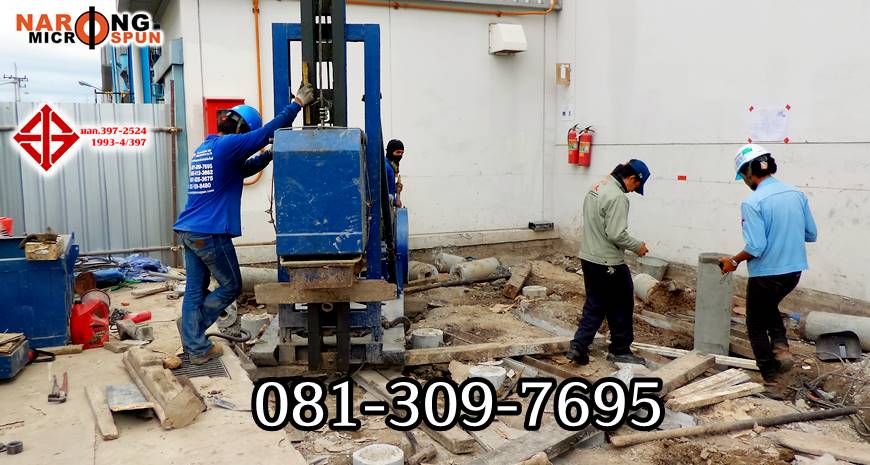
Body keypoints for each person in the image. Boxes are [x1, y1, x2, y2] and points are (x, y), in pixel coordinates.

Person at [173, 84, 315, 365]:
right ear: (242, 129)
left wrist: (270, 154)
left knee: (194, 289)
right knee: (231, 286)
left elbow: (245, 169)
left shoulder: (207, 148)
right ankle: (193, 331)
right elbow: (267, 132)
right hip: (210, 233)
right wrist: (298, 103)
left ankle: (194, 344)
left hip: (189, 229)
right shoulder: (230, 145)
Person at [719, 144, 817, 382]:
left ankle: (770, 377)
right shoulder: (796, 194)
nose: (745, 181)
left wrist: (733, 261)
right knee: (769, 305)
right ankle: (781, 347)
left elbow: (755, 247)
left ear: (749, 172)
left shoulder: (752, 202)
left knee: (755, 323)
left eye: (743, 176)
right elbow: (811, 234)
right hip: (793, 272)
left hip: (766, 274)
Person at [567, 160, 651, 366]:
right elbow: (616, 234)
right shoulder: (618, 197)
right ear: (632, 178)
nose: (633, 191)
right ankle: (620, 350)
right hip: (608, 262)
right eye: (636, 186)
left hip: (588, 256)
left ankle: (578, 347)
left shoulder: (598, 186)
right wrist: (638, 246)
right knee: (622, 302)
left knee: (595, 303)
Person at [385, 139, 404, 207]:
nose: (400, 155)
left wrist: (396, 189)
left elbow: (388, 188)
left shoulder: (391, 167)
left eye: (402, 153)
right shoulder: (386, 167)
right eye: (398, 152)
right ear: (390, 151)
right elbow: (383, 193)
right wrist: (395, 201)